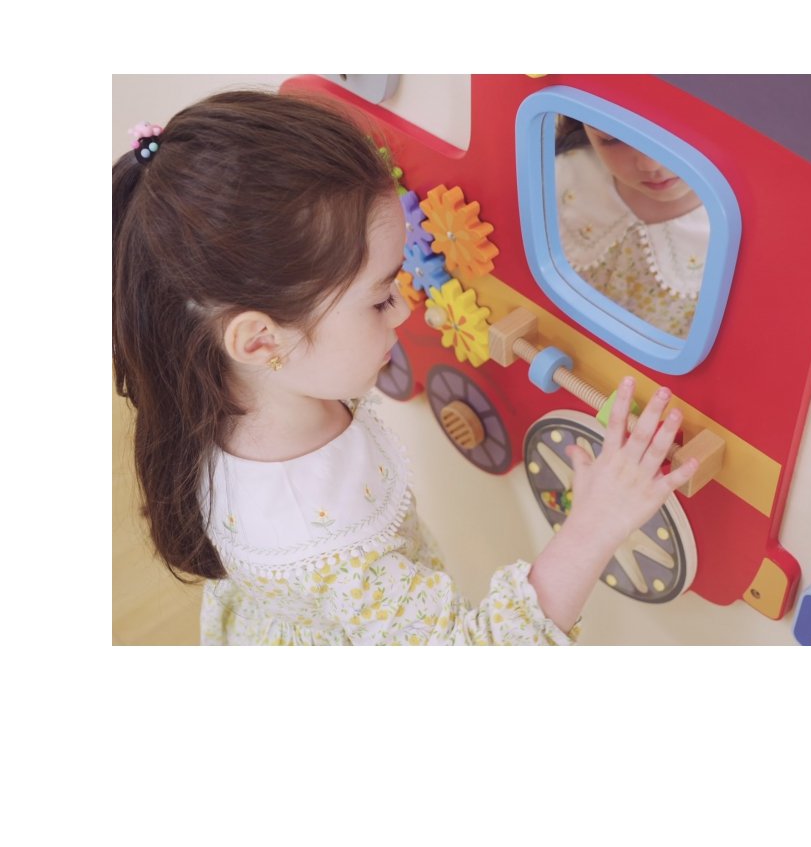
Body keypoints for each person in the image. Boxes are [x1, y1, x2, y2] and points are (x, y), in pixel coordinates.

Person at [113, 91, 699, 646]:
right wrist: (594, 525)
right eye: (379, 299)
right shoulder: (320, 540)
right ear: (261, 339)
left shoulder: (243, 382)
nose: (403, 307)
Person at [555, 117, 710, 339]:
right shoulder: (562, 176)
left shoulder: (742, 238)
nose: (651, 164)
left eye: (676, 135)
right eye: (613, 139)